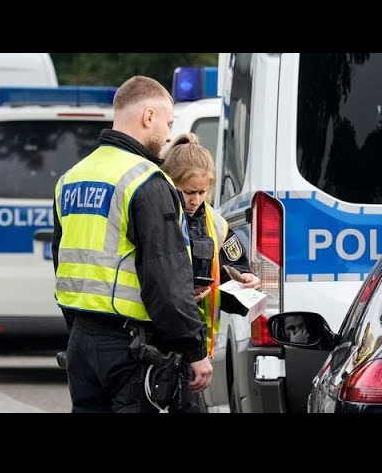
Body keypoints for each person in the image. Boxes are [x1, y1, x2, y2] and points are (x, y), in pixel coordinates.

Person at [52, 76, 212, 413]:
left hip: (82, 342)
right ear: (148, 117)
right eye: (168, 123)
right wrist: (194, 350)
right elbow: (165, 279)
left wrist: (80, 331)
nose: (169, 135)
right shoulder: (147, 181)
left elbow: (62, 264)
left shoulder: (71, 178)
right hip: (132, 348)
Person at [161, 132, 261, 360]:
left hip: (199, 350)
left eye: (201, 192)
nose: (195, 200)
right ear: (169, 182)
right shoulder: (157, 218)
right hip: (159, 346)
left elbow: (232, 274)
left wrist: (247, 282)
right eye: (188, 192)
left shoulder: (217, 225)